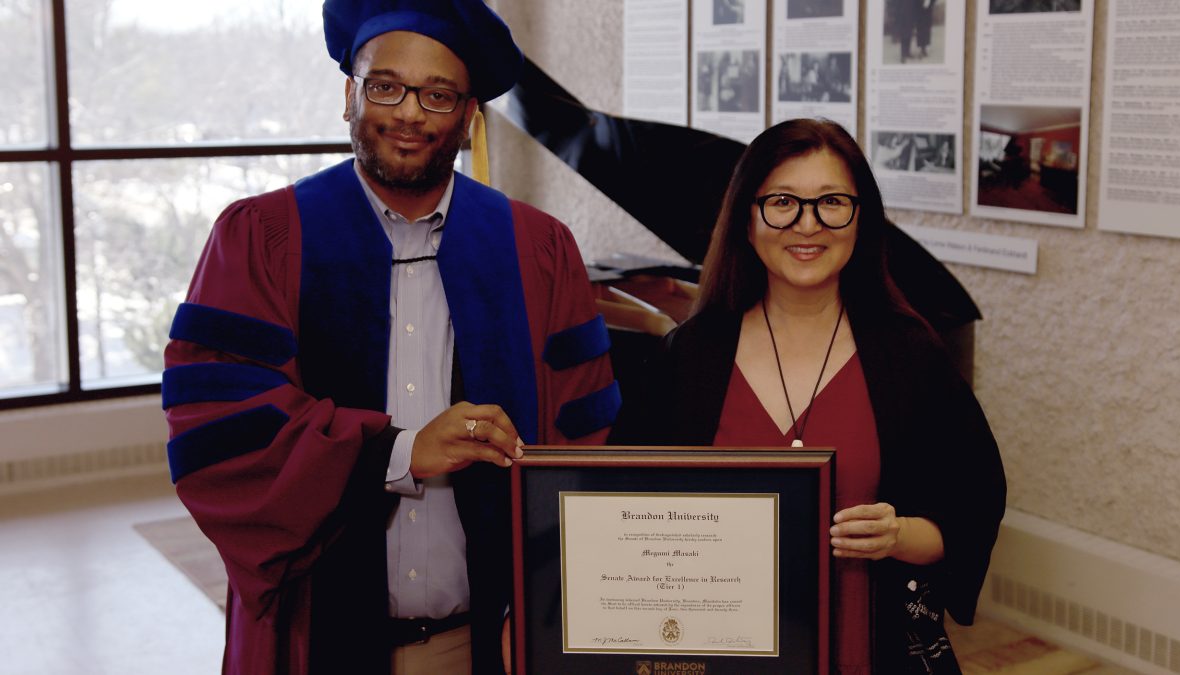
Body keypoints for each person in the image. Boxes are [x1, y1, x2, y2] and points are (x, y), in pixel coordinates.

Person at [160, 2, 619, 674]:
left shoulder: (537, 250)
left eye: (438, 94)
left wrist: (552, 598)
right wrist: (401, 451)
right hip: (313, 637)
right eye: (385, 86)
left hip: (486, 643)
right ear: (349, 93)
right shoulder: (262, 237)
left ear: (467, 116)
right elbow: (222, 436)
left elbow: (585, 445)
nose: (409, 112)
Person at [610, 118, 1006, 673]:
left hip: (869, 649)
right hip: (714, 650)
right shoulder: (689, 356)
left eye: (831, 202)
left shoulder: (911, 354)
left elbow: (971, 510)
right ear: (748, 218)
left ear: (860, 219)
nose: (808, 224)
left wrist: (895, 535)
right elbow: (625, 511)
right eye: (783, 202)